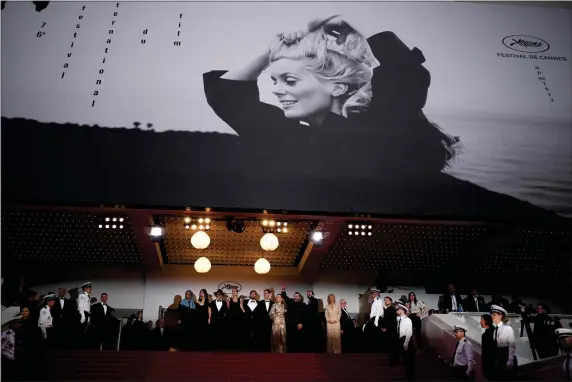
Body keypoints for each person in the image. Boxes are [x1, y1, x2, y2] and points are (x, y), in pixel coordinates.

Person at [490, 305, 517, 380]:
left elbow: (512, 345)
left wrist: (510, 359)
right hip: (499, 356)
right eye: (491, 314)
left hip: (506, 355)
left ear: (500, 315)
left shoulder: (508, 328)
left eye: (494, 314)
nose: (492, 316)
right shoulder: (495, 330)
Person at [280, 287, 307, 353]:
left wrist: (301, 323)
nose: (295, 297)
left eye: (297, 296)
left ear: (300, 297)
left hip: (299, 325)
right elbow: (285, 297)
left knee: (299, 341)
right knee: (290, 341)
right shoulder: (291, 302)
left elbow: (304, 316)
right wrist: (283, 291)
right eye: (294, 296)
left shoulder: (303, 305)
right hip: (290, 325)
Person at [395, 303, 415, 380]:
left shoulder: (407, 320)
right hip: (400, 340)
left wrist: (406, 344)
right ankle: (407, 376)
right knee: (405, 360)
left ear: (402, 310)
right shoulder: (399, 320)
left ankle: (410, 377)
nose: (397, 311)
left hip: (407, 341)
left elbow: (409, 333)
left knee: (409, 361)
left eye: (398, 309)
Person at [480, 314, 496, 380]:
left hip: (493, 365)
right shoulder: (486, 334)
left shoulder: (494, 332)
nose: (480, 322)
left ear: (486, 321)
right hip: (490, 365)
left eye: (481, 320)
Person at [77, 282, 92, 348]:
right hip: (83, 314)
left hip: (86, 314)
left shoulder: (87, 296)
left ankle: (82, 346)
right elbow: (80, 306)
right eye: (89, 288)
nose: (91, 289)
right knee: (81, 331)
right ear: (85, 289)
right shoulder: (82, 296)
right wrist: (83, 316)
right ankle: (79, 346)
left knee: (84, 330)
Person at [368, 288, 384, 352]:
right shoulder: (374, 300)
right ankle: (376, 348)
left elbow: (378, 312)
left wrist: (376, 322)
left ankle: (378, 349)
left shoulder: (378, 300)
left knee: (377, 335)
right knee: (374, 334)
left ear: (376, 294)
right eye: (371, 293)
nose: (372, 295)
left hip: (376, 319)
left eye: (373, 293)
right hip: (373, 318)